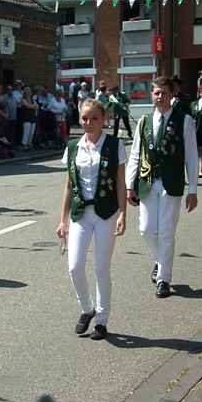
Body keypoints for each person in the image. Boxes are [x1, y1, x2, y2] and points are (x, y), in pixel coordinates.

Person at [56, 99, 127, 340]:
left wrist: (123, 214)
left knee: (101, 268)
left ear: (103, 119)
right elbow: (68, 185)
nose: (89, 123)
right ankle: (87, 309)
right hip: (80, 213)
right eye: (85, 118)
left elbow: (120, 182)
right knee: (74, 267)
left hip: (106, 212)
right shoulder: (73, 146)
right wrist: (62, 220)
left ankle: (102, 321)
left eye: (94, 118)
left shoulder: (115, 145)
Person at [126, 76, 199, 298]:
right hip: (147, 182)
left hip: (172, 183)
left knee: (166, 232)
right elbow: (136, 154)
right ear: (152, 95)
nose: (160, 96)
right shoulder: (144, 121)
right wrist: (130, 185)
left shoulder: (185, 120)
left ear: (171, 94)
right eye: (156, 92)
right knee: (146, 229)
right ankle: (160, 261)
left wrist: (193, 189)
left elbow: (192, 156)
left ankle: (164, 279)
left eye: (164, 93)